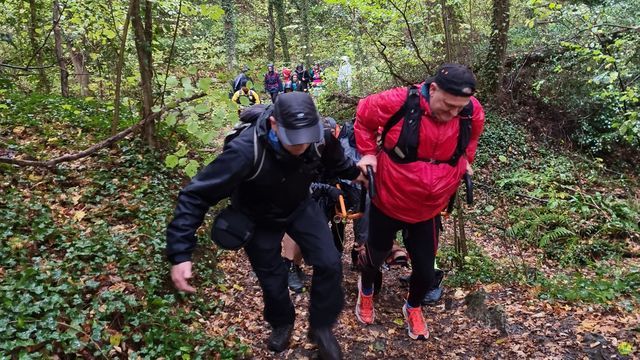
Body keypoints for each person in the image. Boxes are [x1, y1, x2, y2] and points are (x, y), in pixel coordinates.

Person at [166, 92, 366, 359]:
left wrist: (357, 175)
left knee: (329, 263)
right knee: (272, 281)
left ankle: (321, 327)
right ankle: (282, 321)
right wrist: (180, 253)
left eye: (307, 139)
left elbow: (338, 162)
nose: (302, 147)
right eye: (294, 141)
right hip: (258, 218)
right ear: (274, 124)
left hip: (299, 206)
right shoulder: (245, 151)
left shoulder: (318, 139)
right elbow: (196, 195)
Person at [353, 64, 485, 340]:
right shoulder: (398, 101)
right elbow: (363, 117)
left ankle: (412, 306)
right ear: (432, 89)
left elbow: (471, 139)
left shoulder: (471, 111)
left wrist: (465, 162)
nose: (452, 114)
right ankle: (366, 289)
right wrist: (367, 154)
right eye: (447, 106)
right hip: (388, 200)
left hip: (429, 207)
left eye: (458, 109)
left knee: (425, 271)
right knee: (374, 257)